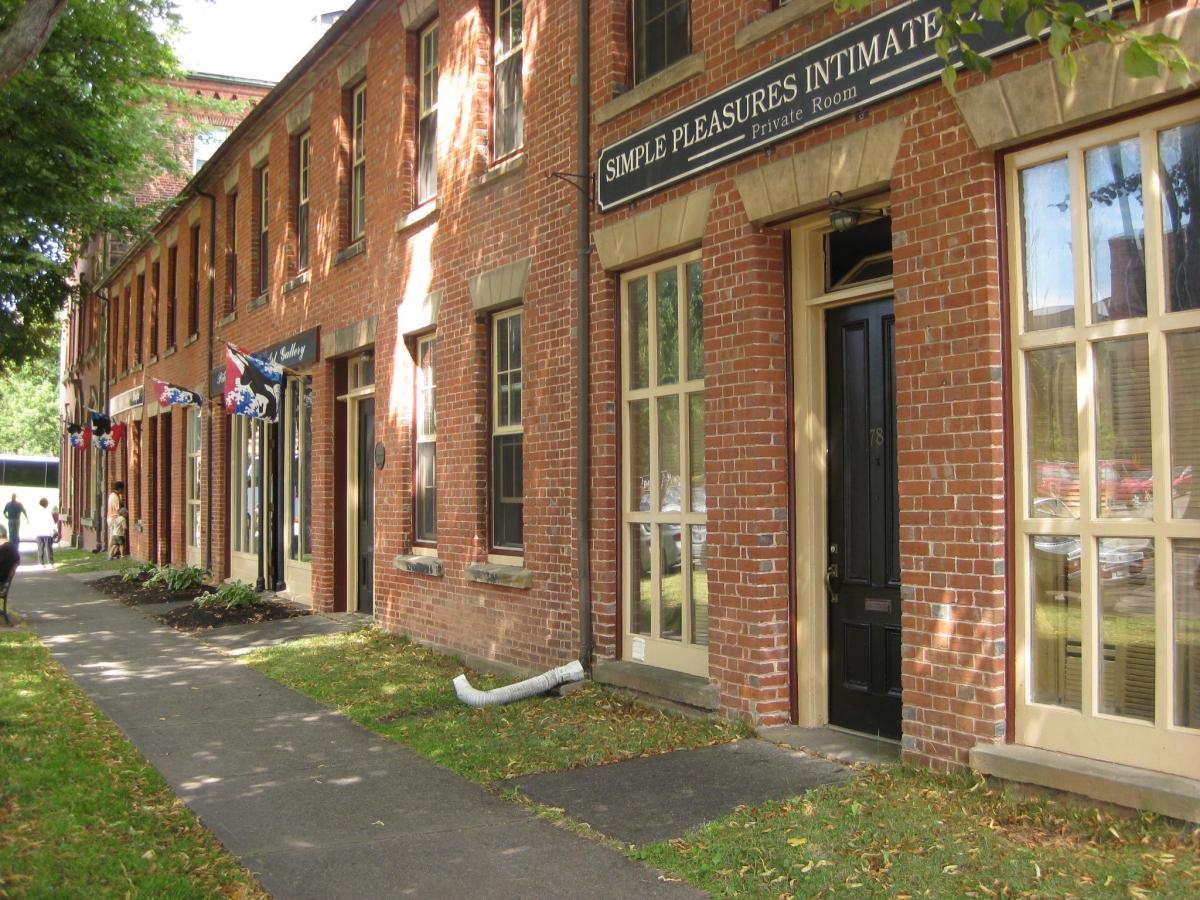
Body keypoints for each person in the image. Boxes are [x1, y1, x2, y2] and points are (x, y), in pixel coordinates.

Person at [32, 497, 57, 568]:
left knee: (40, 548)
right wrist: (54, 530)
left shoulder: (35, 512)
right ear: (45, 504)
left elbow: (33, 523)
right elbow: (51, 522)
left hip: (38, 533)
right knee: (49, 548)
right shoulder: (47, 512)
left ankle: (41, 563)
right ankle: (51, 563)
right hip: (47, 533)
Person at [107, 481, 125, 558]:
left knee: (112, 535)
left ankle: (112, 553)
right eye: (122, 489)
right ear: (120, 489)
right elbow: (118, 509)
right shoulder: (115, 497)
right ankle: (110, 553)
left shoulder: (111, 495)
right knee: (114, 537)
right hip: (114, 518)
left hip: (109, 517)